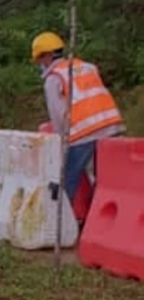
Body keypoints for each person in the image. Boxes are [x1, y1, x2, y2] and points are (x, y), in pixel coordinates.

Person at [31, 31, 124, 209]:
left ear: (48, 56)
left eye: (40, 59)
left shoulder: (54, 78)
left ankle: (60, 223)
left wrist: (62, 141)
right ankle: (97, 216)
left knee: (67, 179)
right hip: (111, 125)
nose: (41, 64)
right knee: (105, 178)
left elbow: (59, 115)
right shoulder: (87, 66)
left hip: (84, 132)